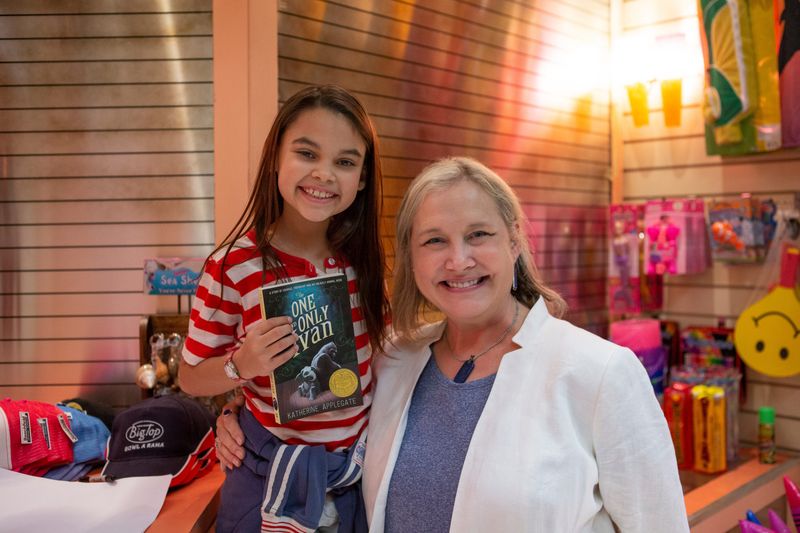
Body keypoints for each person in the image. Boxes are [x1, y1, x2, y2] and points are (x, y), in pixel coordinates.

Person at [217, 156, 689, 532]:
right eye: (435, 241)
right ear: (412, 258)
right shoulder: (392, 360)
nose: (459, 260)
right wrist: (236, 414)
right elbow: (318, 415)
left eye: (478, 235)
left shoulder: (601, 373)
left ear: (514, 241)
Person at [179, 84, 388, 532]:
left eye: (345, 162)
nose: (324, 174)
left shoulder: (363, 264)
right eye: (307, 153)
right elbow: (191, 376)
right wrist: (240, 366)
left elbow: (385, 363)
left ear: (362, 178)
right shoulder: (232, 266)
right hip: (265, 475)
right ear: (276, 156)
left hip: (356, 478)